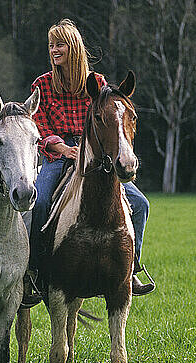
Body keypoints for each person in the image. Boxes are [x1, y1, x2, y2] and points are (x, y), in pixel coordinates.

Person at [24, 19, 155, 306]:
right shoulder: (42, 84)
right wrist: (62, 148)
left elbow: (109, 122)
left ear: (73, 47)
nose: (54, 50)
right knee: (41, 201)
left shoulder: (98, 84)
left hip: (96, 159)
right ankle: (33, 273)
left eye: (59, 44)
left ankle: (130, 268)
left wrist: (91, 151)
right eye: (51, 45)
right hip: (58, 157)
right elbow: (39, 126)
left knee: (141, 204)